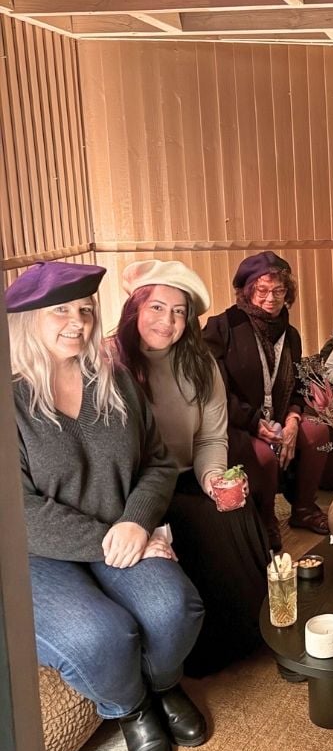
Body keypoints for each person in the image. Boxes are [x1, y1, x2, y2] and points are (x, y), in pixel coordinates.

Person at [9, 261, 206, 751]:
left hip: (123, 530)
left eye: (85, 310)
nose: (77, 322)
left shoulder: (113, 378)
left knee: (175, 609)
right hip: (42, 553)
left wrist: (139, 523)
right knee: (100, 637)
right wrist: (112, 541)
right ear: (27, 319)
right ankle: (132, 708)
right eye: (61, 311)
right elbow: (17, 510)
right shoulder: (11, 398)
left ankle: (163, 684)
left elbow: (159, 462)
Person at [113, 260, 270, 676]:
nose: (168, 321)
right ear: (135, 309)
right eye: (157, 308)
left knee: (237, 510)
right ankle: (206, 652)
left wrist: (214, 478)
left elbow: (211, 438)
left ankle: (260, 632)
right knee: (200, 521)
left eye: (179, 311)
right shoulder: (111, 363)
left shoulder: (200, 363)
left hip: (190, 473)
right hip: (135, 489)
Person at [203, 251, 330, 542]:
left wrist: (294, 420)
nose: (271, 298)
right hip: (237, 422)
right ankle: (265, 516)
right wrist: (255, 424)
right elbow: (214, 391)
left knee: (319, 432)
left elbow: (298, 384)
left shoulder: (291, 334)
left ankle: (304, 507)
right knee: (262, 456)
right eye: (262, 290)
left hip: (280, 418)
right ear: (247, 291)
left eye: (279, 290)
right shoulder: (222, 327)